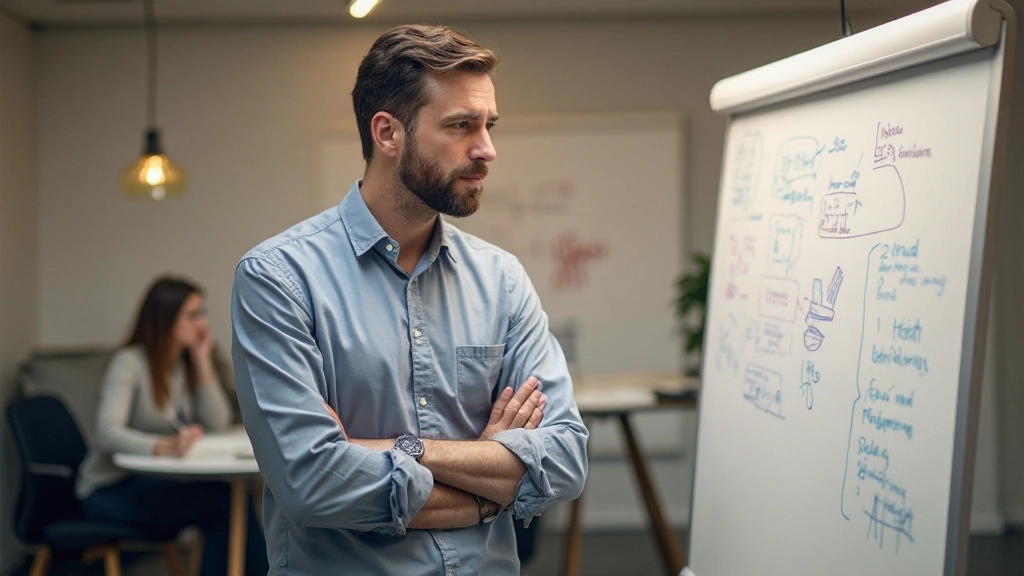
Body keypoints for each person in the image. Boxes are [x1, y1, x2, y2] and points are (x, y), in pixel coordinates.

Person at [231, 23, 589, 575]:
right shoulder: (279, 278)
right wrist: (487, 490)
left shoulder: (502, 279)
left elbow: (564, 460)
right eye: (461, 126)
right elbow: (312, 484)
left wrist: (383, 449)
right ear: (388, 133)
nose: (487, 149)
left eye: (489, 125)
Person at [76, 276, 269, 576]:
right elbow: (106, 433)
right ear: (164, 319)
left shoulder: (182, 366)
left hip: (148, 483)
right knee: (222, 501)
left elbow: (216, 421)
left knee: (226, 498)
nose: (202, 324)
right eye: (192, 315)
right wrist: (163, 446)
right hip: (107, 491)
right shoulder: (129, 363)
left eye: (203, 313)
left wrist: (203, 361)